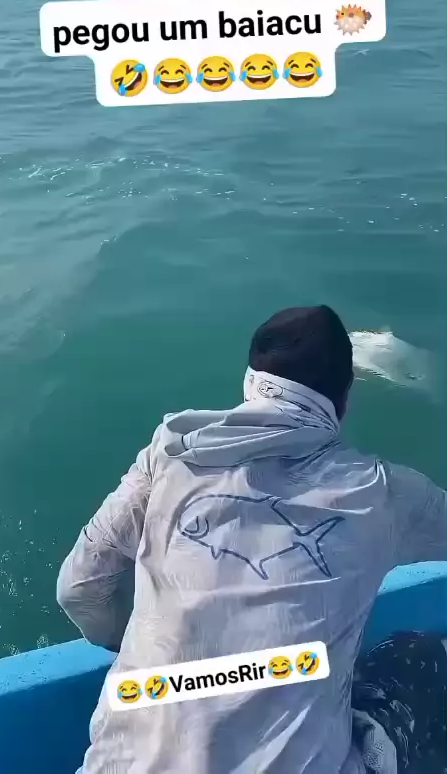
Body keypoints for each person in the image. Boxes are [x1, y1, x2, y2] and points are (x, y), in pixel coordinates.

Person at [57, 305, 447, 774]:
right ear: (344, 399)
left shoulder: (169, 453)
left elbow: (78, 587)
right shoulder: (384, 493)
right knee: (420, 657)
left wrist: (142, 647)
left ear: (250, 384)